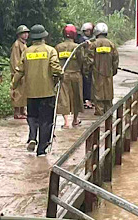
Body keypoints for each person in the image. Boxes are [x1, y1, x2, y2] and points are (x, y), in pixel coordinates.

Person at [12, 24, 63, 156]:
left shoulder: (26, 52)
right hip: (47, 92)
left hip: (31, 92)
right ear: (44, 36)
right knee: (46, 121)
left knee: (32, 117)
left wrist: (13, 85)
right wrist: (60, 74)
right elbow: (55, 68)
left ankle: (33, 137)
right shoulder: (50, 51)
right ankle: (41, 150)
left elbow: (19, 71)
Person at [84, 22, 119, 116]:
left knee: (98, 97)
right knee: (108, 95)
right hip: (108, 74)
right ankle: (109, 117)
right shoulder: (111, 45)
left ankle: (99, 118)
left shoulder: (93, 45)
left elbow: (89, 61)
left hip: (97, 74)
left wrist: (87, 72)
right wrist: (113, 71)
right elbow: (115, 61)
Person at [55, 24, 84, 128]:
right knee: (77, 96)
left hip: (63, 75)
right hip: (76, 74)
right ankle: (75, 120)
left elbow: (55, 62)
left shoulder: (58, 47)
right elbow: (82, 61)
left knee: (63, 97)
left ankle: (66, 121)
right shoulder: (77, 47)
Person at [10, 25, 30, 119]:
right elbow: (15, 60)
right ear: (19, 34)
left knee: (23, 92)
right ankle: (17, 112)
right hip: (18, 72)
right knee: (17, 93)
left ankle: (22, 110)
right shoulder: (17, 44)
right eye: (23, 33)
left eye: (26, 33)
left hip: (24, 72)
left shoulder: (24, 44)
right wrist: (16, 73)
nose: (26, 35)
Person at [81, 22, 95, 110]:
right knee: (85, 82)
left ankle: (91, 99)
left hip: (92, 65)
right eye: (86, 31)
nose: (87, 32)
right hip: (84, 65)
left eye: (89, 31)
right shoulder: (80, 41)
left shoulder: (95, 41)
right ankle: (85, 99)